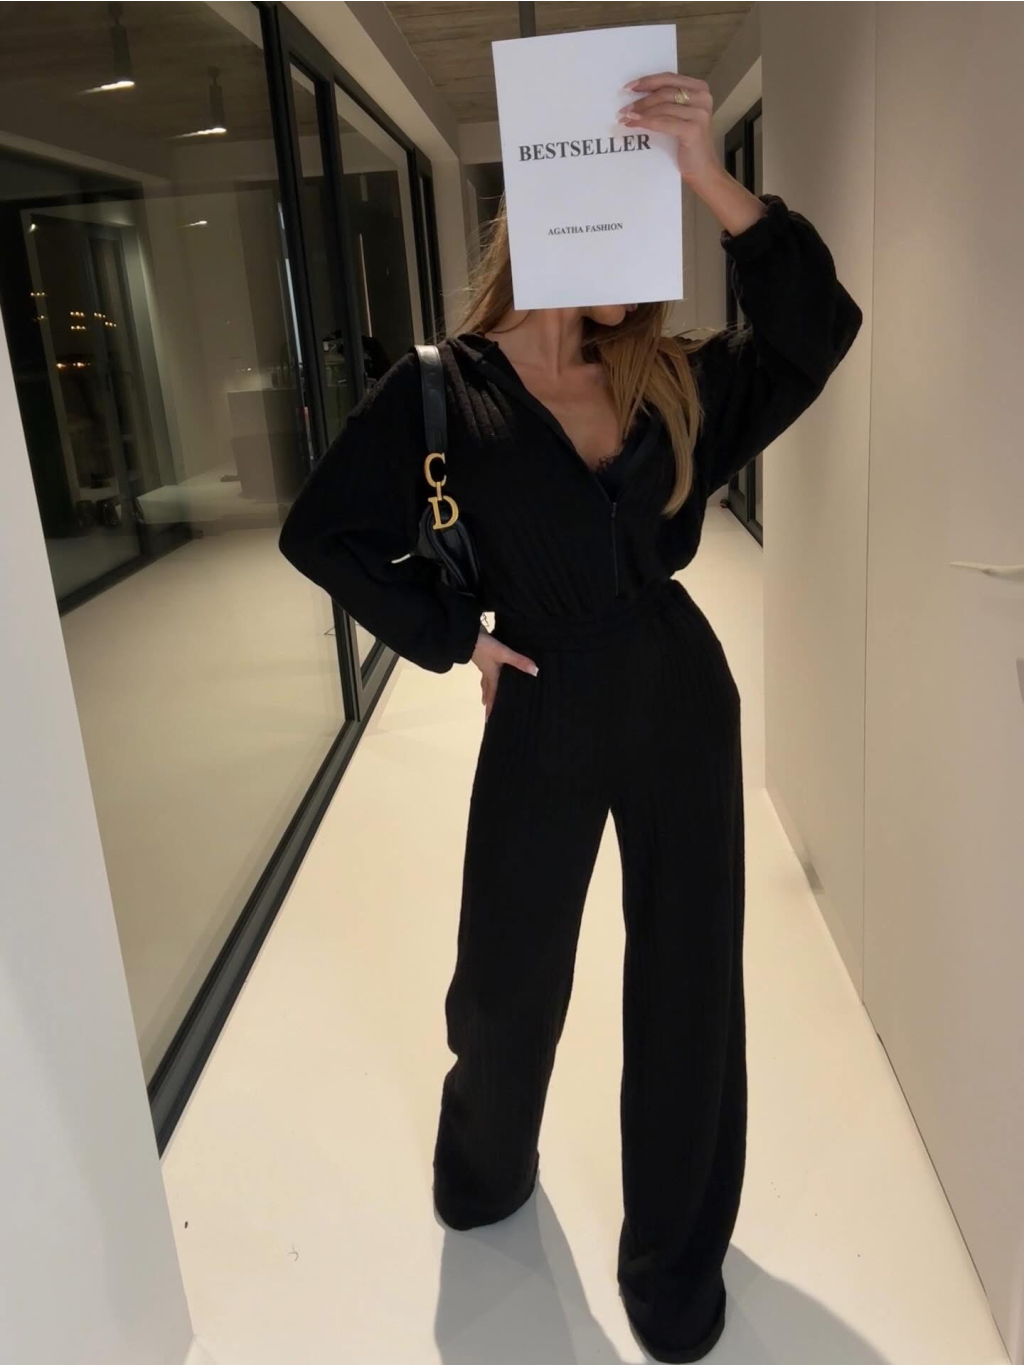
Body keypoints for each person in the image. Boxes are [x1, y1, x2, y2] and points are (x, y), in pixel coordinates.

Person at [278, 69, 863, 1365]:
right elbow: (324, 533)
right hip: (543, 698)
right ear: (546, 213)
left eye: (657, 214)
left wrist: (712, 178)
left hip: (677, 691)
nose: (638, 246)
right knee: (507, 967)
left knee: (688, 976)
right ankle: (485, 1166)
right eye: (622, 205)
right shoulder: (442, 390)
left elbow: (816, 331)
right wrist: (456, 633)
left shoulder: (672, 380)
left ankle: (674, 1262)